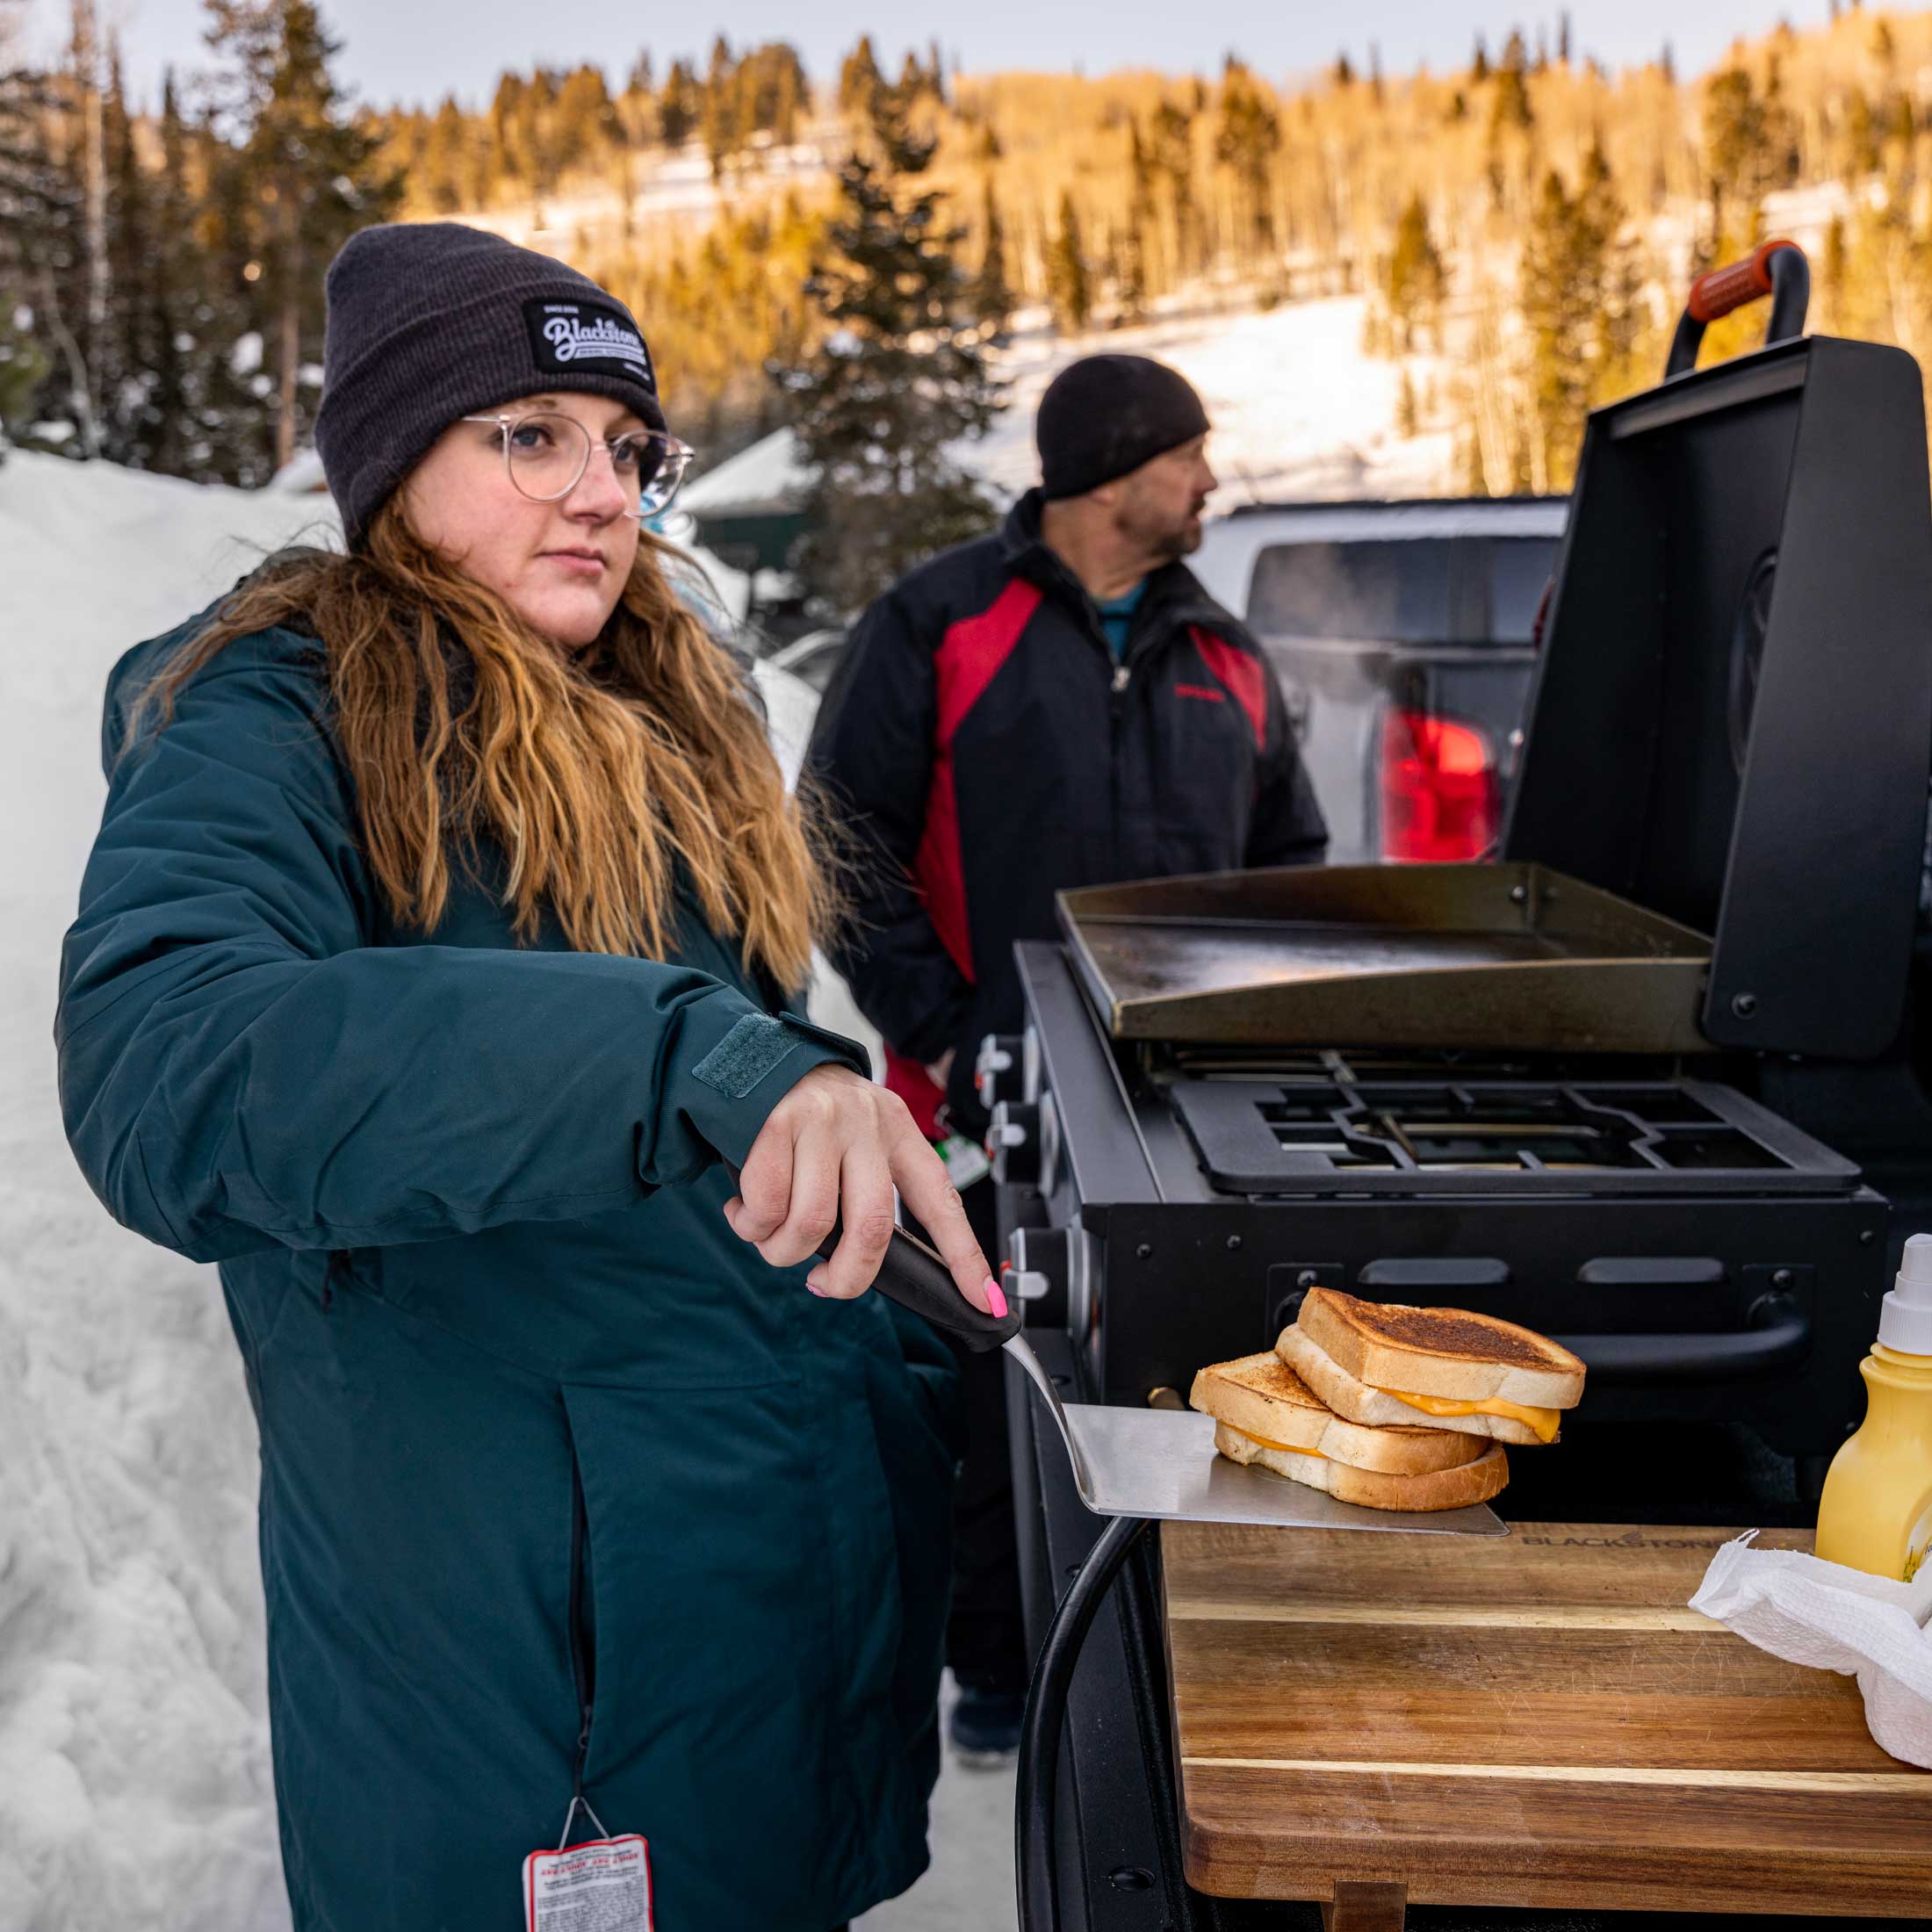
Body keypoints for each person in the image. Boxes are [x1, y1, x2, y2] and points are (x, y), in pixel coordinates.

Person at [55, 222, 1001, 1932]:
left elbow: (730, 1128)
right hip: (532, 1699)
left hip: (752, 1619)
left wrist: (916, 1350)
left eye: (629, 448)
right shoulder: (281, 715)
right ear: (394, 452)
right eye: (530, 433)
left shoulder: (664, 719)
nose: (602, 491)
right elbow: (168, 1061)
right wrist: (682, 1058)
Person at [808, 352, 1329, 1761]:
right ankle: (992, 1666)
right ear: (1113, 465)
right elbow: (837, 850)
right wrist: (951, 1033)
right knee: (995, 1384)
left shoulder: (1227, 654)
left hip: (1190, 1118)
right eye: (1191, 454)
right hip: (982, 1111)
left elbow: (1295, 867)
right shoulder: (938, 625)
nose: (1211, 481)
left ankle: (1177, 1659)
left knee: (1193, 1383)